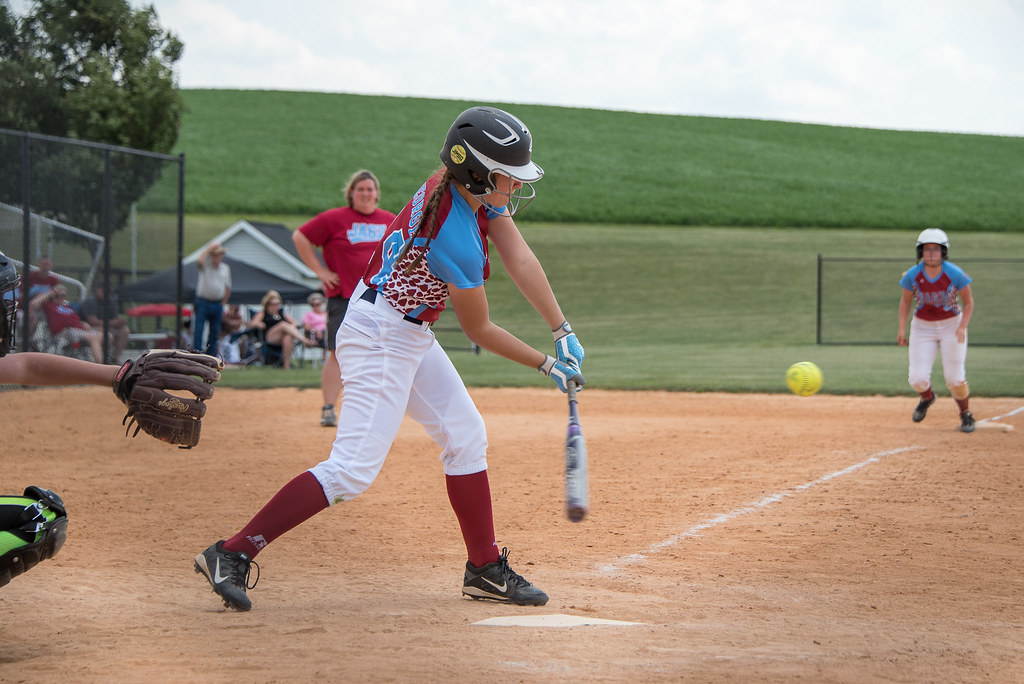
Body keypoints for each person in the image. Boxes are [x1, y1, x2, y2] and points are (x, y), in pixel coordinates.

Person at [193, 106, 585, 612]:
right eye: (508, 176)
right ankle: (232, 552)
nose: (517, 185)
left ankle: (485, 569)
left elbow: (521, 257)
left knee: (465, 435)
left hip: (403, 328)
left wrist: (561, 328)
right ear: (478, 173)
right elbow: (479, 329)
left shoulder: (460, 186)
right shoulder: (455, 237)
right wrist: (546, 363)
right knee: (351, 470)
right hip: (381, 336)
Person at [292, 169, 397, 427]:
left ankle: (377, 409)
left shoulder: (389, 220)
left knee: (383, 353)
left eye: (370, 189)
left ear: (377, 194)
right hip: (345, 297)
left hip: (381, 298)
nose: (365, 193)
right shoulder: (334, 219)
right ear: (351, 193)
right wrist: (319, 272)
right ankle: (329, 408)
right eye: (360, 189)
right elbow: (300, 236)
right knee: (338, 352)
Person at [898, 228, 975, 433]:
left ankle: (965, 413)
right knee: (917, 379)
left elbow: (968, 303)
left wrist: (962, 326)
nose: (931, 253)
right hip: (923, 327)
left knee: (955, 378)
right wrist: (902, 329)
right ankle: (927, 397)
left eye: (936, 249)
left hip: (952, 325)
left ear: (943, 252)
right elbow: (905, 302)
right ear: (920, 252)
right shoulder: (913, 275)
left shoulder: (954, 273)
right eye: (927, 249)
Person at [29, 285, 105, 364]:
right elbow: (33, 305)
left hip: (79, 331)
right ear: (52, 296)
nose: (60, 298)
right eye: (57, 296)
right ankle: (100, 365)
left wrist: (83, 324)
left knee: (108, 337)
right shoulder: (48, 305)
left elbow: (76, 320)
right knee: (93, 338)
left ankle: (102, 360)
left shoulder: (68, 306)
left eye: (63, 296)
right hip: (64, 332)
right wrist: (50, 293)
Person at [249, 290, 314, 369]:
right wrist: (258, 323)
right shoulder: (263, 313)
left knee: (288, 337)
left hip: (281, 339)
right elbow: (252, 324)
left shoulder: (282, 314)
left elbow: (295, 323)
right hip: (269, 337)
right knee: (282, 324)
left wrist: (290, 327)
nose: (275, 306)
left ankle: (286, 366)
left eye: (277, 304)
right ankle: (304, 340)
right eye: (272, 304)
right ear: (267, 304)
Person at [192, 242, 231, 355]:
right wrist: (209, 248)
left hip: (217, 303)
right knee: (199, 330)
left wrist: (223, 302)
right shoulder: (205, 266)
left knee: (214, 332)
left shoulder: (225, 268)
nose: (215, 257)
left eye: (218, 254)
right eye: (213, 254)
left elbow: (228, 287)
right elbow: (199, 261)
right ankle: (197, 354)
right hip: (203, 302)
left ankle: (211, 355)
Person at [78, 284, 130, 364]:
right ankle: (101, 362)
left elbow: (116, 320)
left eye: (109, 292)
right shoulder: (90, 301)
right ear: (98, 291)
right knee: (102, 331)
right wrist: (114, 322)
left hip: (107, 327)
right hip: (90, 329)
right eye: (104, 292)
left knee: (124, 331)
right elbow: (92, 321)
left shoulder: (111, 302)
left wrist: (118, 322)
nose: (107, 294)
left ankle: (114, 359)